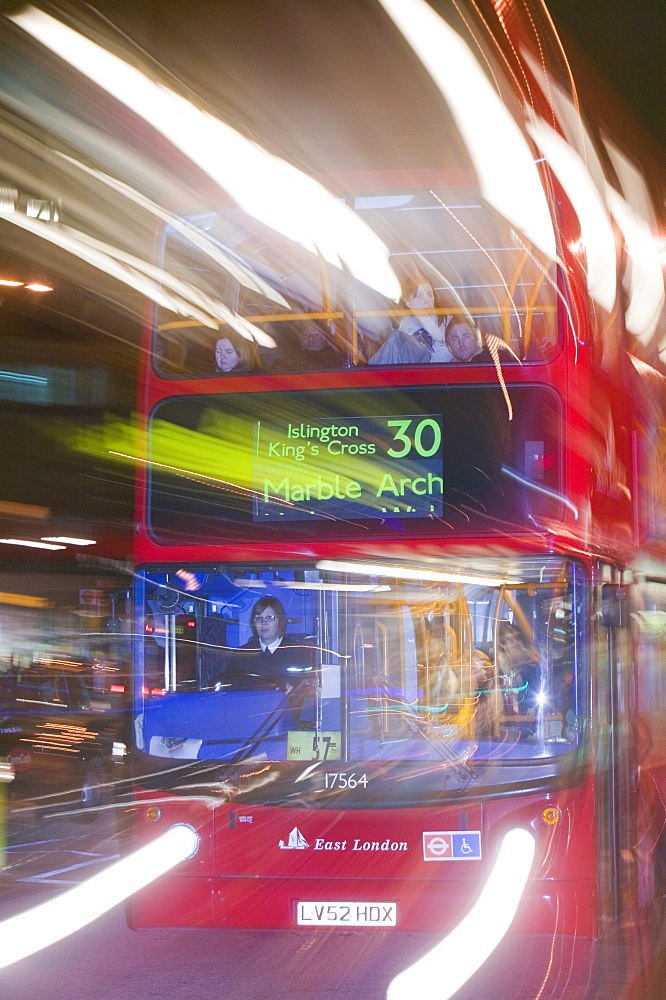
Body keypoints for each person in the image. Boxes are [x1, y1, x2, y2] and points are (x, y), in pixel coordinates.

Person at [225, 596, 314, 690]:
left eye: (269, 618)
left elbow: (306, 687)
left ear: (280, 620)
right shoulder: (241, 654)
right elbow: (230, 690)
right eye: (259, 618)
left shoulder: (298, 652)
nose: (263, 623)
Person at [369, 277, 452, 365]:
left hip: (436, 370)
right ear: (408, 303)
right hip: (410, 371)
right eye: (419, 296)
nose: (427, 300)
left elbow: (443, 343)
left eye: (430, 295)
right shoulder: (405, 321)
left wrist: (423, 317)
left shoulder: (447, 320)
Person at [497, 622, 542, 715]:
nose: (515, 643)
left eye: (516, 638)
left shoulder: (531, 665)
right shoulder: (500, 666)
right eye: (510, 639)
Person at [271, 320, 343, 370]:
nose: (311, 338)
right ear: (299, 337)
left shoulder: (336, 361)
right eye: (306, 335)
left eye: (317, 335)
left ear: (326, 340)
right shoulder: (284, 362)